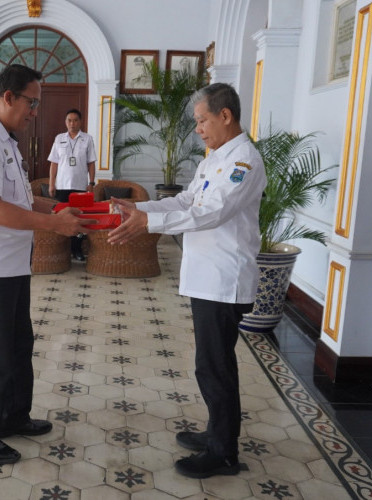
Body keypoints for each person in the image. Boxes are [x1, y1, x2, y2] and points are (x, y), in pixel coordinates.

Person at [107, 83, 266, 479]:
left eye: (201, 120)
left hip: (223, 279)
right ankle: (216, 433)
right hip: (206, 278)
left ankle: (223, 452)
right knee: (209, 363)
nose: (198, 129)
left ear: (225, 116)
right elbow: (185, 201)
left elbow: (211, 213)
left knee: (215, 367)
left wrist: (150, 223)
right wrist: (139, 207)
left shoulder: (242, 161)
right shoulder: (214, 159)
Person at [0, 64, 93, 464]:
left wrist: (63, 208)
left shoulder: (7, 142)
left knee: (18, 346)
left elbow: (21, 200)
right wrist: (54, 224)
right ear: (8, 96)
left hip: (11, 265)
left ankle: (13, 416)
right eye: (31, 102)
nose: (35, 110)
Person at [47, 108, 96, 261]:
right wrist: (51, 184)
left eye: (75, 120)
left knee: (79, 219)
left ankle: (77, 250)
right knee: (61, 218)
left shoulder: (87, 139)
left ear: (80, 122)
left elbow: (91, 163)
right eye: (69, 120)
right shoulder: (59, 138)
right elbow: (54, 163)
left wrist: (91, 183)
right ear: (65, 122)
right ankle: (63, 251)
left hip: (80, 186)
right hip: (62, 186)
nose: (72, 123)